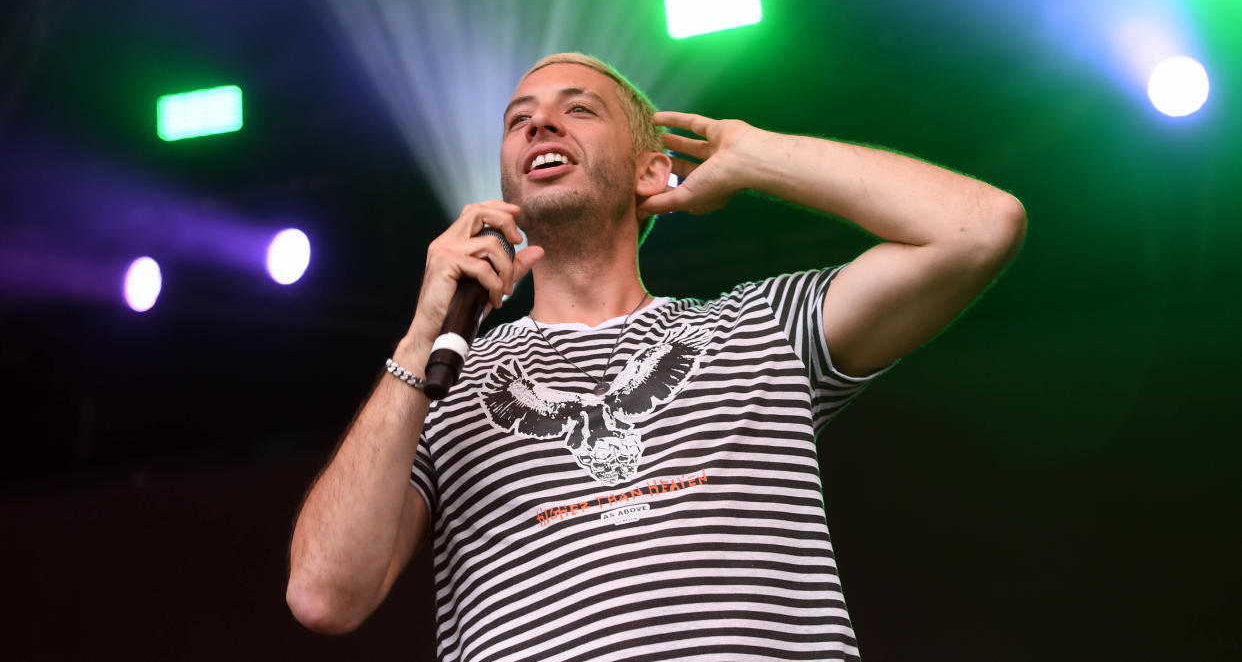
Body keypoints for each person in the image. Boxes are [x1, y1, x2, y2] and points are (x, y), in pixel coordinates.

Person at [286, 53, 1026, 661]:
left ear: (651, 171)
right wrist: (420, 339)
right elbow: (323, 594)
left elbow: (979, 228)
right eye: (520, 119)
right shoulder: (441, 381)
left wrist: (759, 156)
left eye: (579, 108)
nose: (540, 120)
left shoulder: (759, 325)